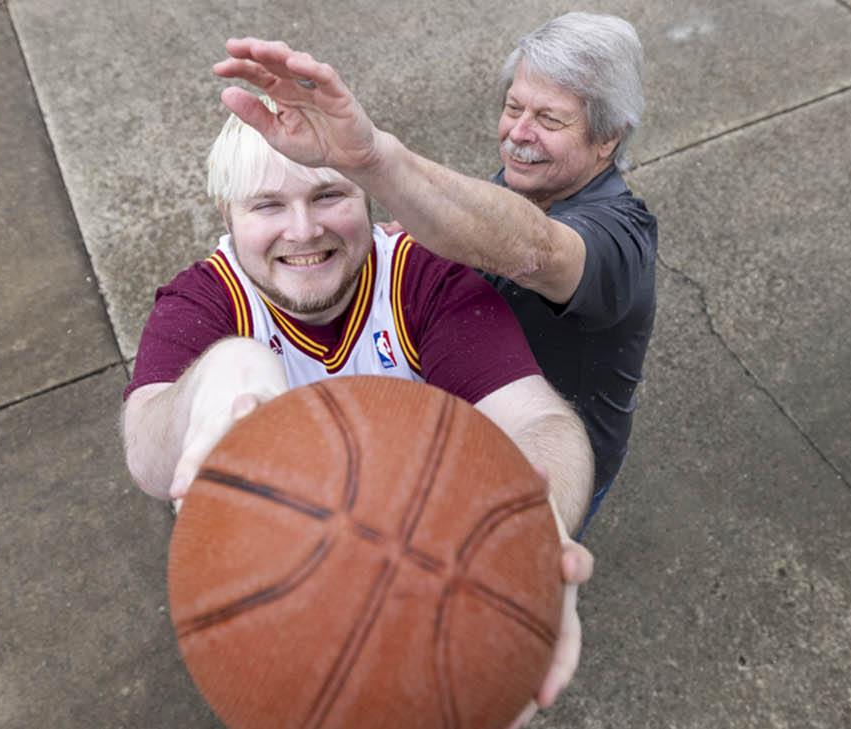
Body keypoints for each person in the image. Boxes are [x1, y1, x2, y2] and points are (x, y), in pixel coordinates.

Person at [212, 12, 656, 724]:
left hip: (553, 449)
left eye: (550, 119)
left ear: (607, 139)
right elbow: (463, 226)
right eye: (513, 106)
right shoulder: (517, 180)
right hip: (473, 424)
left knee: (481, 615)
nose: (518, 132)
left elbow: (531, 248)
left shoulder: (618, 241)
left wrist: (372, 161)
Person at [121, 102, 595, 729]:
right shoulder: (205, 303)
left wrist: (522, 531)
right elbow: (149, 456)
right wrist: (215, 378)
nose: (303, 230)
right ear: (227, 216)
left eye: (327, 195)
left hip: (425, 565)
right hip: (285, 583)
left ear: (366, 195)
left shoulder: (422, 277)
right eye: (267, 206)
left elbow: (539, 422)